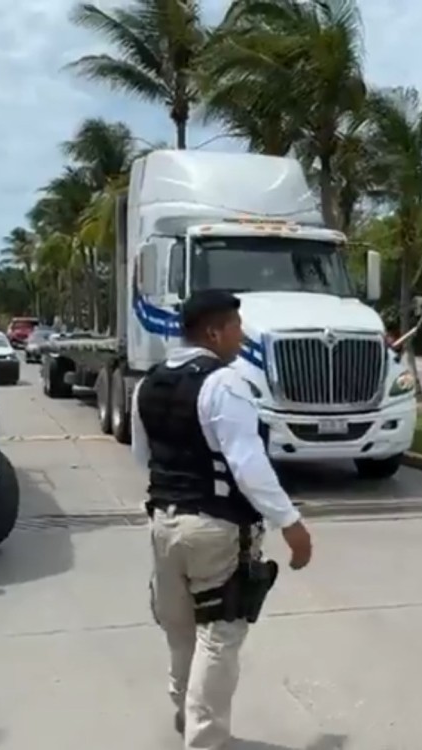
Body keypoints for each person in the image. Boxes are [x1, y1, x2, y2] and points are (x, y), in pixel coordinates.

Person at [132, 289, 313, 750]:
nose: (242, 335)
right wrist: (291, 524)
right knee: (220, 636)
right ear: (214, 332)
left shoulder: (148, 382)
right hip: (216, 529)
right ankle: (207, 740)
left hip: (163, 524)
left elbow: (142, 456)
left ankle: (184, 715)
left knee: (179, 630)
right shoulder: (224, 384)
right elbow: (247, 464)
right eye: (236, 327)